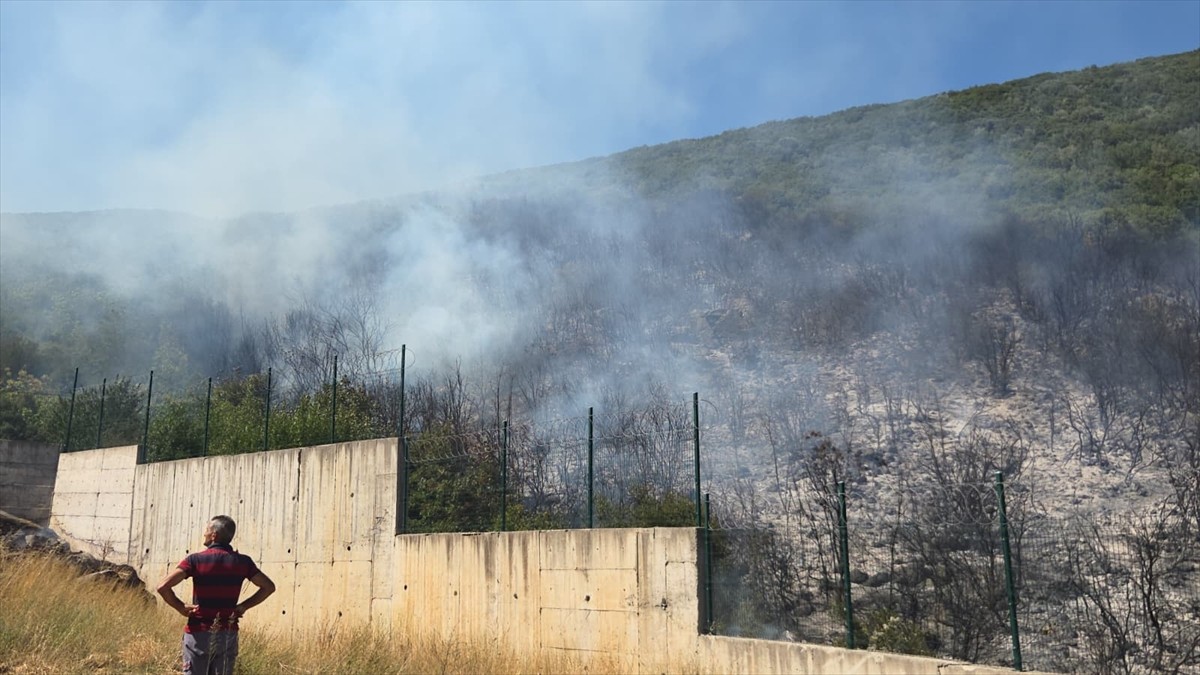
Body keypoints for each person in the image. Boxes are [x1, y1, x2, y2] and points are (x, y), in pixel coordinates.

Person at [156, 515, 275, 675]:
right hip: (228, 633)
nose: (204, 533)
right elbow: (268, 587)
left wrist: (181, 607)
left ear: (214, 535)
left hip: (198, 633)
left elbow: (163, 586)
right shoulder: (243, 562)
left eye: (206, 530)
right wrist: (243, 606)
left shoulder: (195, 560)